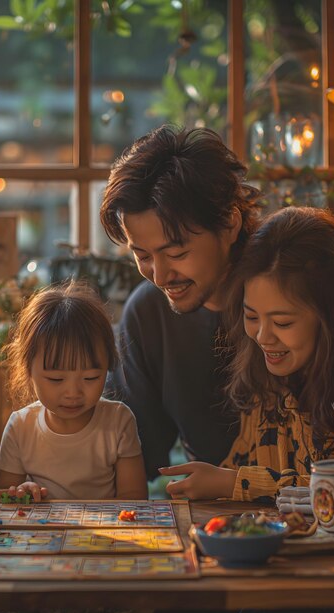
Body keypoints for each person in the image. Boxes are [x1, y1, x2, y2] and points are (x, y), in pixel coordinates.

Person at [160, 206, 334, 503]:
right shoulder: (270, 376)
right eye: (252, 316)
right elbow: (238, 469)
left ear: (332, 317)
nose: (262, 337)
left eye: (283, 322)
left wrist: (236, 484)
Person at [100, 124, 261, 478]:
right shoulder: (149, 312)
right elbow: (138, 452)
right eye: (142, 255)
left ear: (230, 223)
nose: (159, 276)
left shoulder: (288, 290)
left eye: (176, 252)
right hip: (213, 519)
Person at [0, 281, 148, 501]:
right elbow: (3, 499)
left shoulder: (118, 421)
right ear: (28, 370)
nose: (73, 392)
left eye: (90, 378)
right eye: (56, 379)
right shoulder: (21, 427)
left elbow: (134, 499)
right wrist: (21, 492)